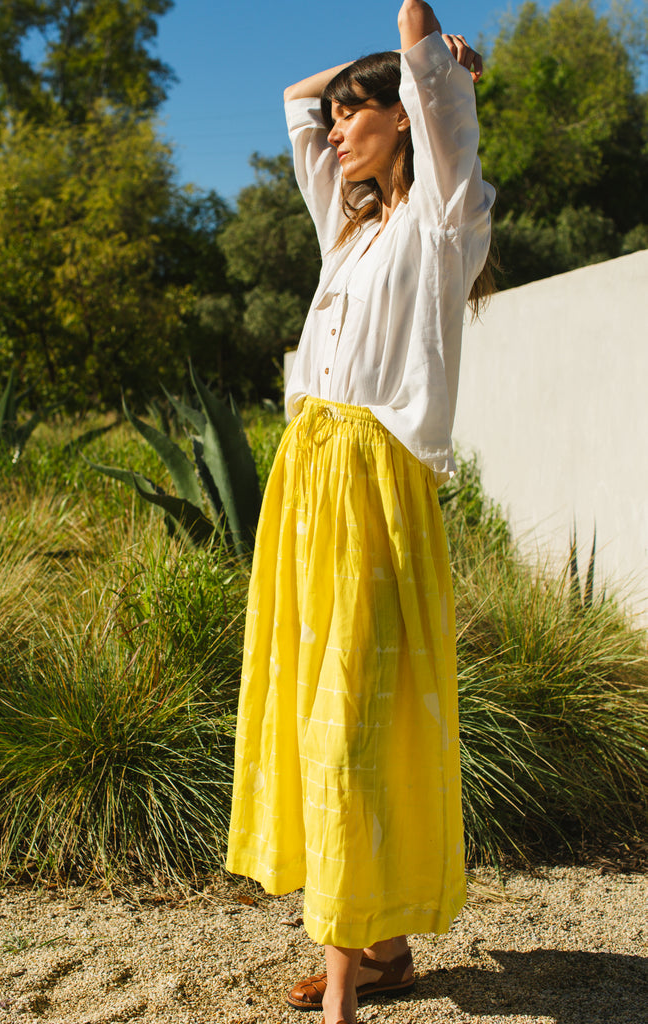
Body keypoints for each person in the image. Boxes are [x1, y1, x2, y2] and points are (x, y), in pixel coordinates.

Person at [226, 3, 495, 1022]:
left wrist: (431, 62)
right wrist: (359, 75)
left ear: (401, 117)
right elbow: (294, 101)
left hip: (373, 491)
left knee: (348, 724)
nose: (334, 129)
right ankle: (381, 952)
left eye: (356, 113)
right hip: (308, 486)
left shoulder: (440, 223)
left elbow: (424, 59)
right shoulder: (348, 225)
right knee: (327, 711)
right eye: (339, 119)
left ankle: (342, 994)